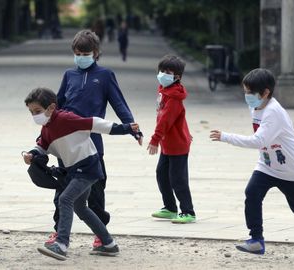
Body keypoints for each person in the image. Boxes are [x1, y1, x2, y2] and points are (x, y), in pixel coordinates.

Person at [209, 68, 294, 260]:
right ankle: (256, 240)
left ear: (265, 93)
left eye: (250, 92)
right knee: (252, 193)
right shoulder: (256, 106)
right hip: (267, 165)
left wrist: (226, 137)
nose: (247, 96)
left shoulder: (273, 112)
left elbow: (258, 141)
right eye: (245, 91)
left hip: (290, 169)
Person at [22, 87, 140, 260]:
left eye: (37, 111)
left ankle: (61, 245)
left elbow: (95, 123)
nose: (34, 115)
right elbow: (42, 145)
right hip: (76, 170)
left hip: (87, 167)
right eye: (31, 112)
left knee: (65, 199)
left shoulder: (66, 118)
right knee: (80, 207)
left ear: (52, 108)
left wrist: (125, 128)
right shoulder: (46, 127)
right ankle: (109, 244)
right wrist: (32, 154)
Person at [51, 29, 142, 248]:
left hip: (93, 141)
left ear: (96, 53)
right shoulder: (68, 75)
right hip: (67, 142)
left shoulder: (105, 75)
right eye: (78, 52)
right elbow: (57, 106)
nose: (82, 56)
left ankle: (101, 235)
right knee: (62, 189)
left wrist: (132, 127)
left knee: (97, 190)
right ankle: (58, 232)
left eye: (86, 52)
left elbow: (119, 103)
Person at [147, 55, 196, 224]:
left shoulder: (174, 98)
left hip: (177, 145)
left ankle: (188, 211)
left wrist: (154, 140)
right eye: (162, 71)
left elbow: (165, 121)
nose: (163, 74)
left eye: (168, 72)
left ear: (177, 77)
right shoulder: (164, 90)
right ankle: (170, 208)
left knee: (178, 179)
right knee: (162, 174)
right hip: (168, 144)